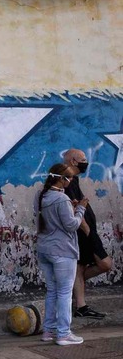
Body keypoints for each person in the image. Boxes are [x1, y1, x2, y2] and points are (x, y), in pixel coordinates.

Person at [34, 163, 88, 346]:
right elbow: (72, 225)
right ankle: (64, 334)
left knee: (52, 291)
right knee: (65, 293)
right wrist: (80, 208)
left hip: (44, 249)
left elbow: (52, 217)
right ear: (61, 178)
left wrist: (70, 207)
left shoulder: (41, 195)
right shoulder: (62, 199)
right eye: (69, 177)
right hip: (62, 251)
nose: (71, 180)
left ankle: (49, 331)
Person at [62, 148, 113, 318]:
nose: (86, 161)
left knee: (83, 269)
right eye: (83, 159)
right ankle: (81, 305)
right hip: (83, 232)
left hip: (88, 231)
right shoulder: (67, 181)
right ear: (73, 161)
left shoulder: (73, 179)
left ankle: (78, 295)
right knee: (102, 263)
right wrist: (86, 229)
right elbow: (74, 209)